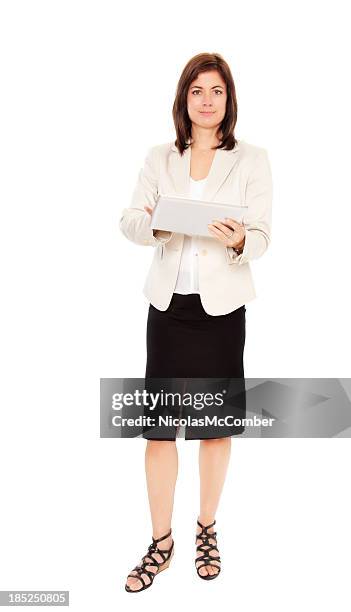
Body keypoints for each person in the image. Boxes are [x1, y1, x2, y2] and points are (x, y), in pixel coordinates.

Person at [119, 52, 273, 592]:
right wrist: (160, 222)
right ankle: (161, 543)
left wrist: (237, 240)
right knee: (158, 431)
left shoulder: (252, 160)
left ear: (229, 101)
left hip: (221, 313)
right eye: (197, 91)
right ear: (184, 100)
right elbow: (130, 220)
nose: (207, 100)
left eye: (217, 91)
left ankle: (206, 528)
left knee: (214, 429)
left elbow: (262, 236)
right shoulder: (160, 157)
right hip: (168, 309)